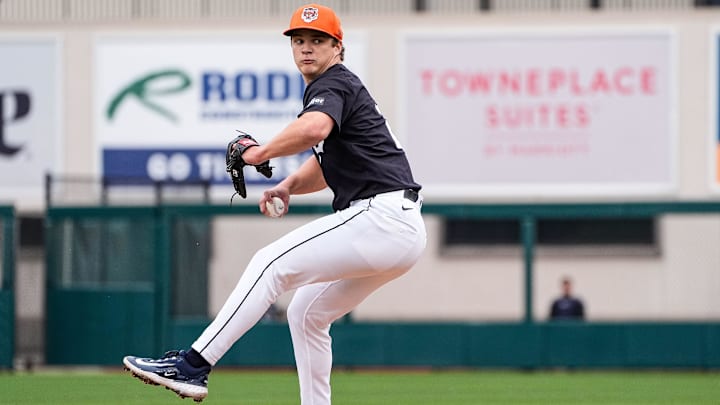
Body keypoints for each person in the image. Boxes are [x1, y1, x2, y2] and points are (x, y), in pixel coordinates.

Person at [122, 4, 427, 404]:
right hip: (399, 229)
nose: (306, 48)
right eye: (299, 40)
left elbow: (313, 129)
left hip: (381, 217)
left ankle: (193, 365)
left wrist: (259, 152)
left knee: (270, 263)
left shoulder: (332, 83)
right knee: (306, 313)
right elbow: (324, 166)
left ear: (338, 47)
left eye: (318, 40)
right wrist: (285, 186)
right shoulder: (338, 90)